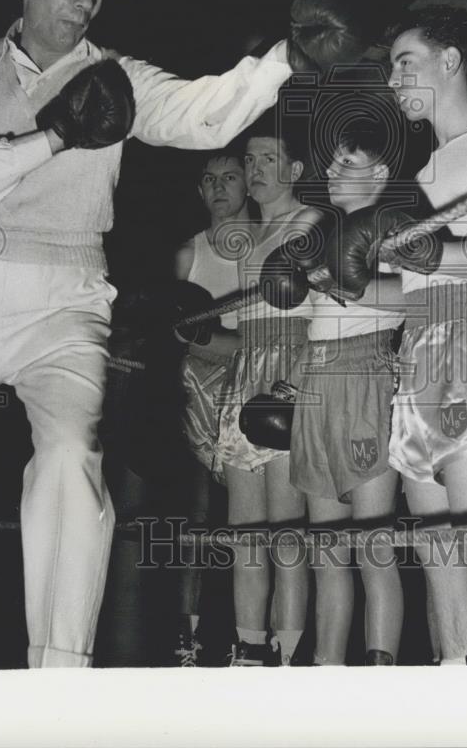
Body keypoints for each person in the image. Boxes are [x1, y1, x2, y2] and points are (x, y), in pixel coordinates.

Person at [0, 0, 296, 670]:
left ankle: (58, 680)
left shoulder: (117, 75)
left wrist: (287, 60)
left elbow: (201, 112)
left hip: (67, 293)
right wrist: (55, 136)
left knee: (70, 456)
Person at [328, 6, 467, 665]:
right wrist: (350, 285)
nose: (393, 79)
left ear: (451, 61)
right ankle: (452, 692)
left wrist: (426, 253)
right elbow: (413, 290)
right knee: (435, 550)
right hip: (414, 351)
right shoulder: (415, 179)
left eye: (404, 61)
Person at [289, 119, 404, 666]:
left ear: (380, 173)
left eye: (347, 164)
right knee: (326, 551)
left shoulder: (395, 224)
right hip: (317, 377)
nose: (331, 173)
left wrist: (343, 283)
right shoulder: (325, 228)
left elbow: (418, 299)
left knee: (373, 549)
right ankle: (325, 675)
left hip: (369, 369)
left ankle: (380, 686)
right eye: (331, 162)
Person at [214, 113, 313, 666]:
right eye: (248, 160)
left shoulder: (311, 223)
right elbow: (237, 328)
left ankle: (290, 654)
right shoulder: (244, 238)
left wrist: (295, 383)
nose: (254, 170)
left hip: (289, 372)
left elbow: (326, 313)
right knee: (245, 531)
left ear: (295, 168)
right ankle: (248, 649)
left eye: (268, 159)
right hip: (245, 370)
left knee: (286, 528)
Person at [171, 148, 250, 665]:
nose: (219, 187)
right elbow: (174, 338)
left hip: (256, 393)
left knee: (260, 524)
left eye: (230, 177)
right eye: (209, 179)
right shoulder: (185, 254)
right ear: (200, 191)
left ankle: (261, 640)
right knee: (195, 517)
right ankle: (188, 640)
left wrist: (217, 343)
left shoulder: (271, 248)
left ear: (249, 183)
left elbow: (282, 338)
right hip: (197, 398)